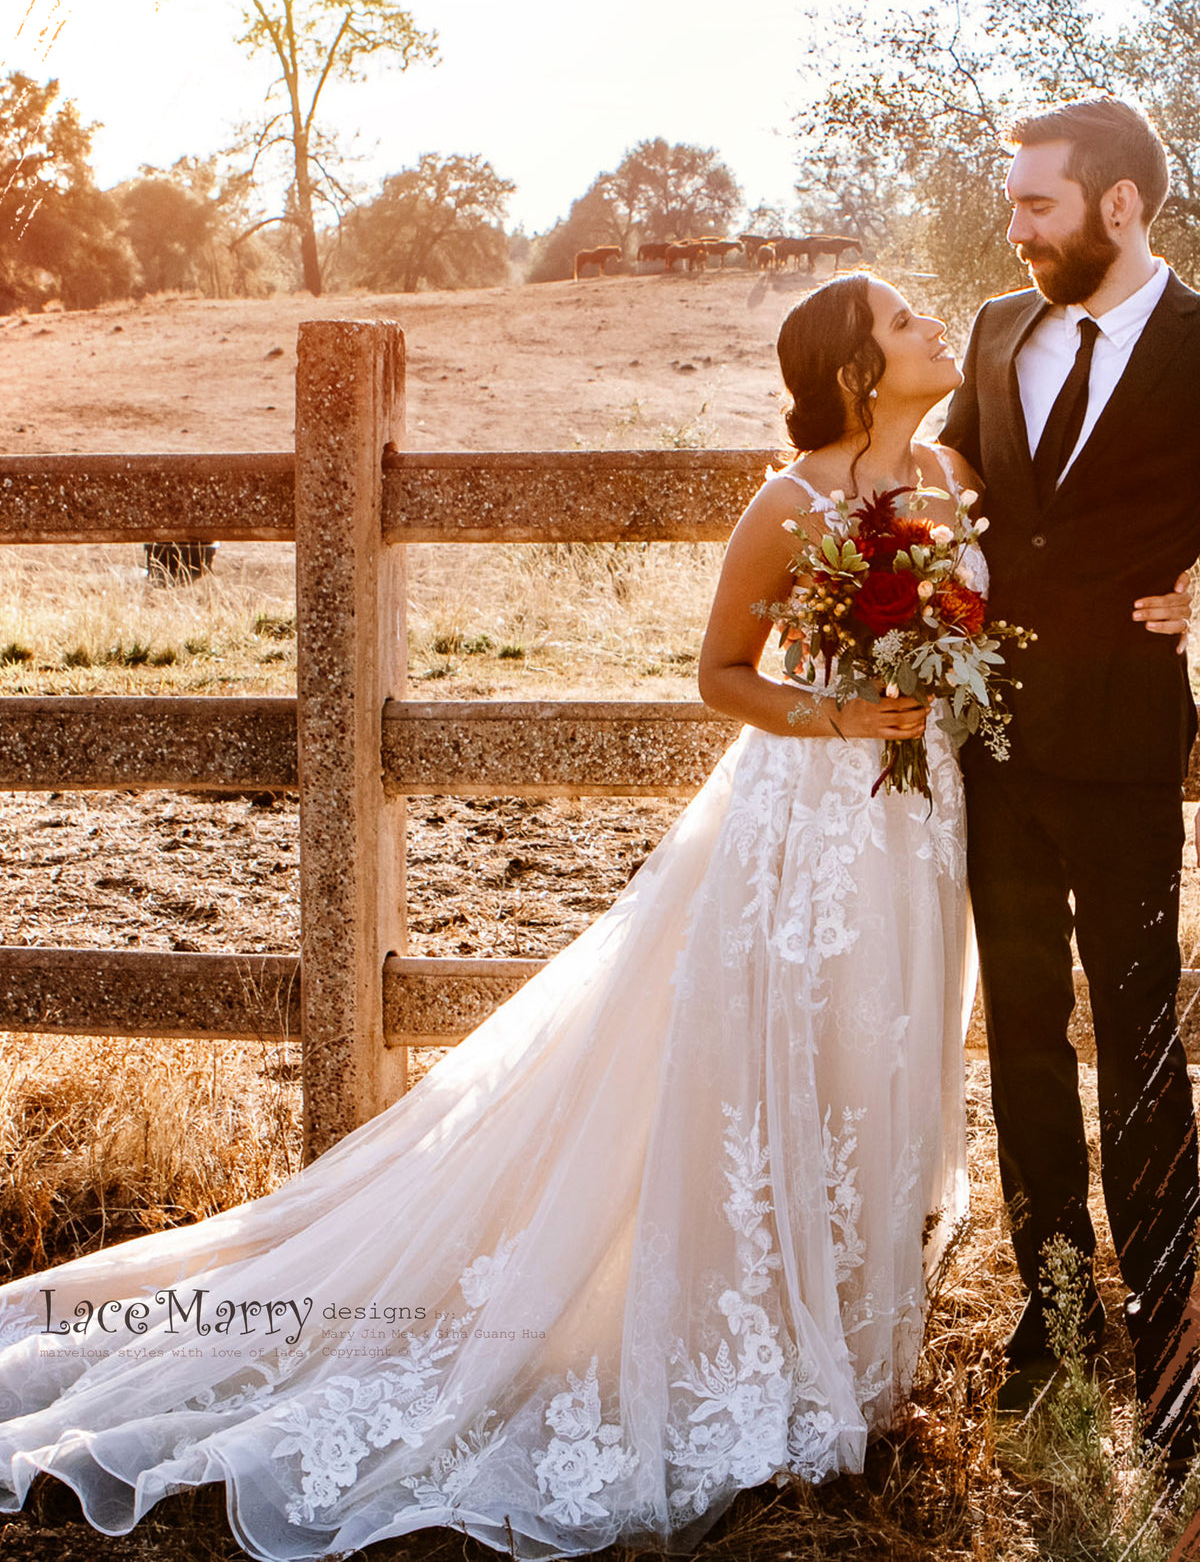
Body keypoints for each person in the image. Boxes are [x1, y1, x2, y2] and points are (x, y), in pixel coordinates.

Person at [0, 278, 1185, 1562]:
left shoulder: (958, 478)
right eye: (904, 324)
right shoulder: (788, 503)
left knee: (883, 1065)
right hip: (811, 828)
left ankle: (845, 1341)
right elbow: (722, 675)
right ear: (855, 368)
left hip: (920, 825)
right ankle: (752, 1342)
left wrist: (1185, 582)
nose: (932, 333)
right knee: (778, 1064)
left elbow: (1094, 534)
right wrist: (840, 713)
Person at [940, 95, 1200, 1470]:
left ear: (1119, 205)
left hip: (1124, 754)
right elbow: (945, 457)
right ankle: (1055, 1319)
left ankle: (1175, 1334)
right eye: (1014, 204)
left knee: (1146, 1040)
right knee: (1025, 1037)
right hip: (994, 756)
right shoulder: (997, 329)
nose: (1016, 227)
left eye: (1038, 204)